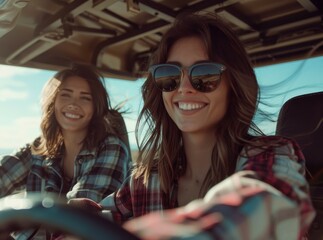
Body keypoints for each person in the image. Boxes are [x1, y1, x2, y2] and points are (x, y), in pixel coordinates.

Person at [72, 12, 315, 239]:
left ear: (234, 86)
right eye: (170, 75)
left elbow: (265, 202)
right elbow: (97, 219)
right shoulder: (146, 181)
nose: (183, 87)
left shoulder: (274, 153)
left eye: (205, 74)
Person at [0, 63, 132, 239]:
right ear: (53, 102)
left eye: (85, 98)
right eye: (65, 95)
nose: (73, 104)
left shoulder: (111, 148)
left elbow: (78, 215)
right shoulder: (38, 148)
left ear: (96, 107)